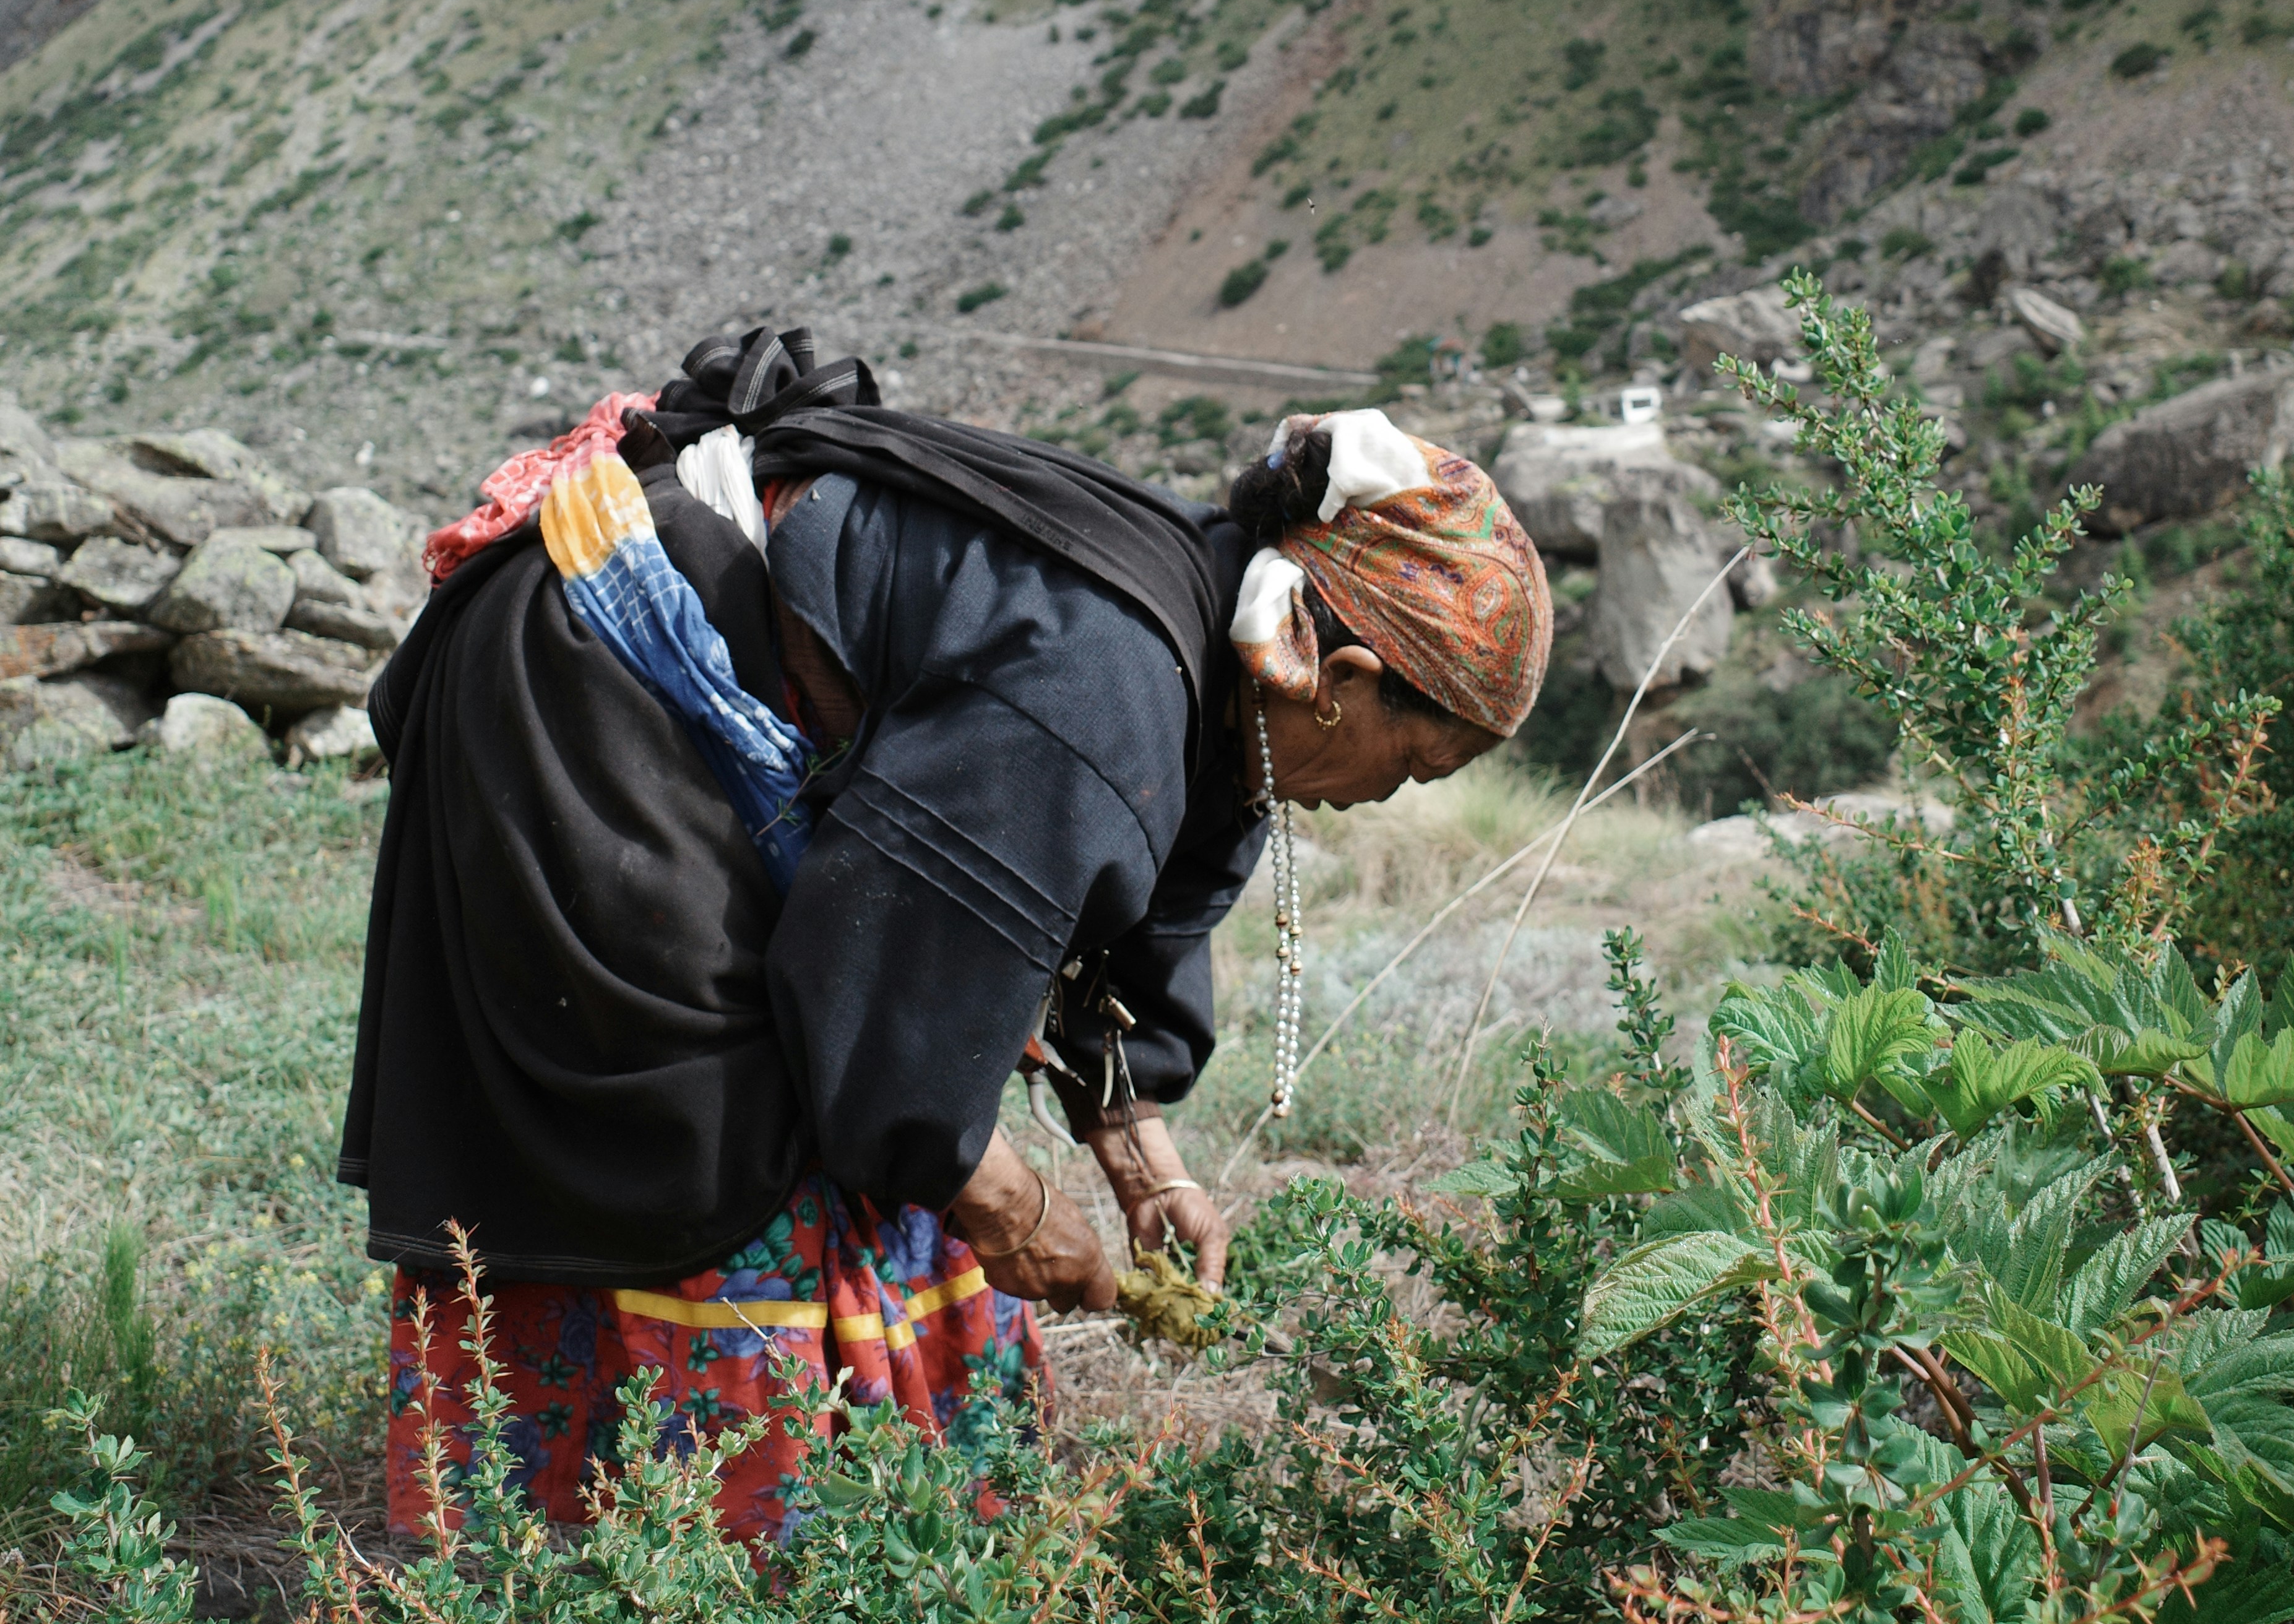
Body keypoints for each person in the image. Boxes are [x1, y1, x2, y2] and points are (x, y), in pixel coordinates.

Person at [343, 326, 1550, 1544]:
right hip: (591, 671)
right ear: (1326, 668)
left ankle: (865, 1510)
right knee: (713, 1110)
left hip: (702, 703)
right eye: (1412, 765)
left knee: (872, 1116)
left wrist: (1143, 1166)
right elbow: (889, 1021)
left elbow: (1112, 930)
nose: (1390, 799)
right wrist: (1018, 1215)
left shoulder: (1216, 675)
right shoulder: (1104, 687)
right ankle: (676, 1534)